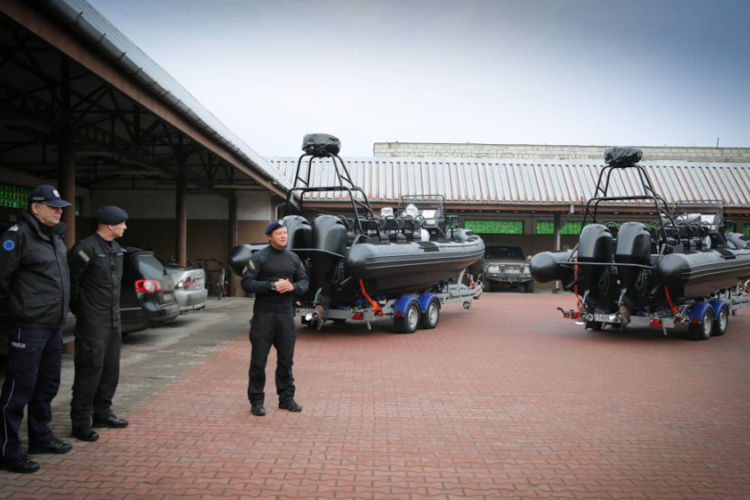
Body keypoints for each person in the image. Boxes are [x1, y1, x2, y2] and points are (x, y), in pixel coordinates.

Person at [0, 185, 73, 474]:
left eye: (60, 207)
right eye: (53, 207)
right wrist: (16, 311)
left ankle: (40, 438)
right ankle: (7, 450)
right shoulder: (17, 236)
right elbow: (2, 280)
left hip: (53, 325)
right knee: (19, 390)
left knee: (47, 385)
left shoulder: (54, 238)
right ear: (35, 207)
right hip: (28, 325)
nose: (59, 211)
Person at [68, 206, 130, 442]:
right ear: (110, 225)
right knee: (89, 369)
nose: (125, 227)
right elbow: (71, 283)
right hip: (92, 320)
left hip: (113, 318)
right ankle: (81, 422)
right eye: (122, 223)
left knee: (110, 368)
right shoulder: (86, 248)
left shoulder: (116, 249)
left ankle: (102, 413)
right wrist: (84, 310)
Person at [241, 220, 308, 416]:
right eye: (279, 233)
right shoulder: (259, 258)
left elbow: (304, 281)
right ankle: (256, 401)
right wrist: (271, 286)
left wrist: (293, 286)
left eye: (285, 232)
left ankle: (286, 399)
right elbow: (247, 283)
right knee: (259, 361)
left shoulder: (293, 258)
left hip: (286, 315)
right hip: (264, 316)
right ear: (270, 237)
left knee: (286, 360)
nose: (283, 236)